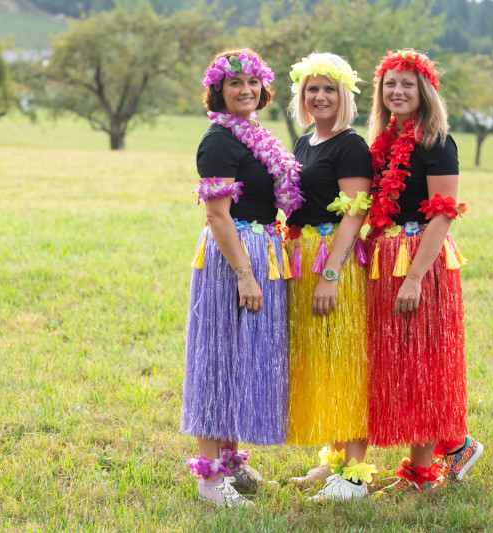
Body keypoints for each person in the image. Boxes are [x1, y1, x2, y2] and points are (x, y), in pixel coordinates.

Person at [180, 48, 304, 507]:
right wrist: (245, 275)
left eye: (253, 82)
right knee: (218, 358)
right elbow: (217, 215)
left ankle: (231, 462)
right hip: (235, 256)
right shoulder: (218, 141)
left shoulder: (252, 134)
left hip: (262, 248)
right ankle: (210, 479)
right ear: (219, 91)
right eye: (235, 83)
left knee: (241, 356)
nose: (246, 90)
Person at [365, 49, 483, 495]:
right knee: (397, 359)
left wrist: (414, 277)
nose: (397, 91)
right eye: (390, 84)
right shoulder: (383, 142)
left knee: (423, 361)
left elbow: (443, 214)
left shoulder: (437, 142)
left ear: (425, 90)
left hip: (421, 259)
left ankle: (421, 473)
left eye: (407, 84)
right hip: (385, 257)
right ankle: (456, 444)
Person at [282, 53, 375, 501]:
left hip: (333, 262)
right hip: (303, 260)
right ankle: (334, 460)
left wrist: (331, 274)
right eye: (312, 89)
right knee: (321, 360)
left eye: (329, 89)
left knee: (345, 362)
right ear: (301, 95)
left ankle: (355, 476)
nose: (320, 96)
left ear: (344, 96)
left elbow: (354, 215)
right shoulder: (305, 142)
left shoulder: (350, 145)